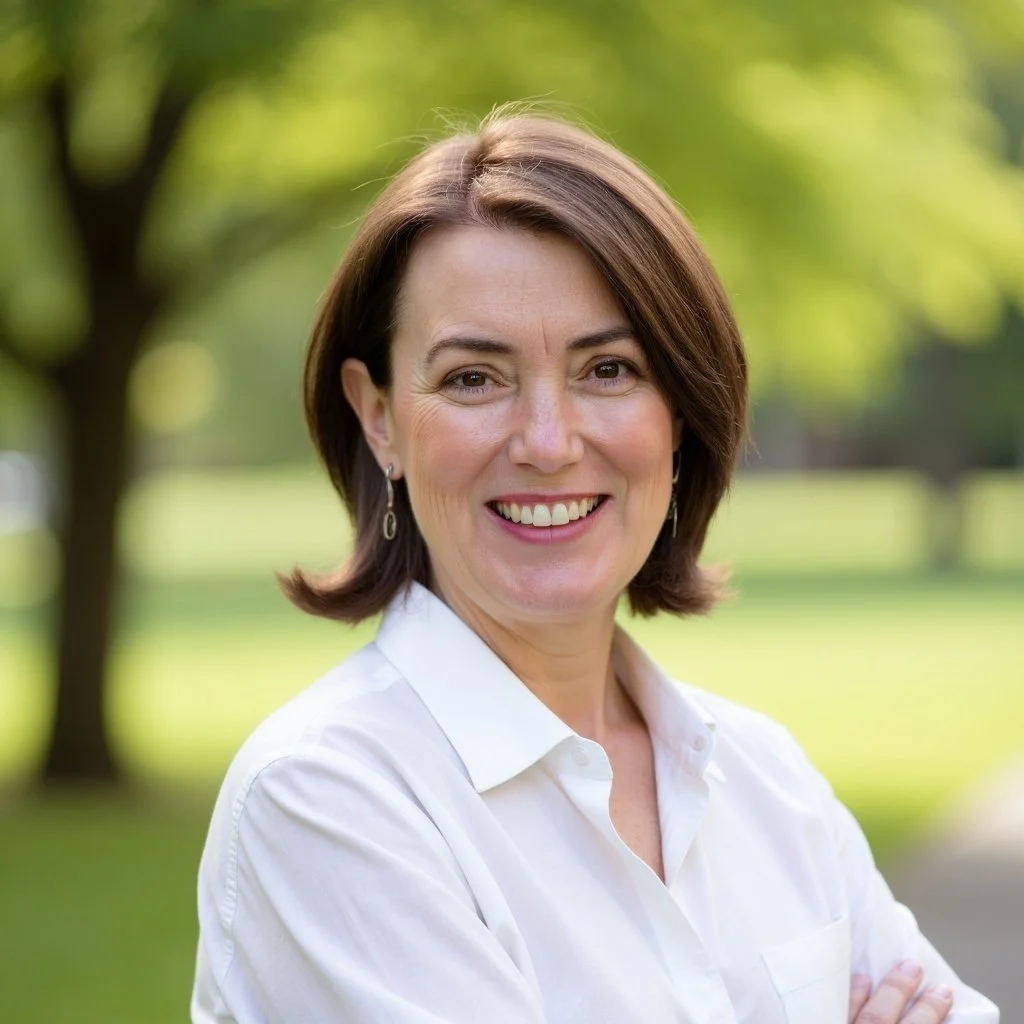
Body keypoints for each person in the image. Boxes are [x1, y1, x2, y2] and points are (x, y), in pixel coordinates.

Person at [191, 111, 999, 1024]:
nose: (547, 442)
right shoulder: (327, 800)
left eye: (608, 370)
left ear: (681, 411)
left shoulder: (765, 776)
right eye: (473, 378)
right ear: (379, 417)